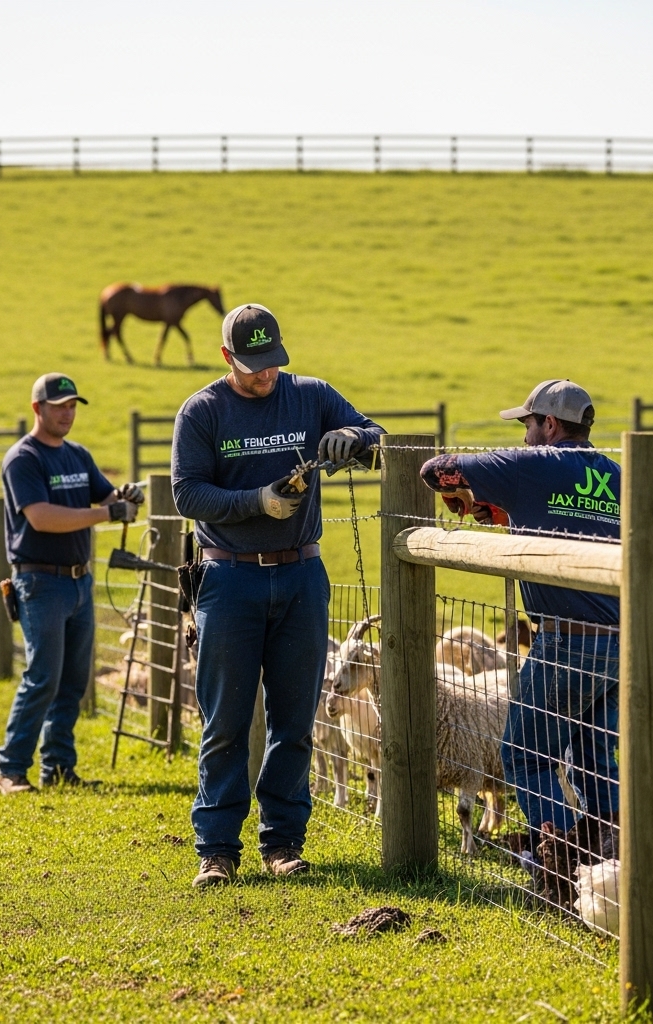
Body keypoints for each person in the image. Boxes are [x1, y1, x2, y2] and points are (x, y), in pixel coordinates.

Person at [171, 303, 384, 887]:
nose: (265, 375)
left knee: (295, 718)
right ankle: (216, 849)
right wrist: (256, 501)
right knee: (226, 720)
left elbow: (379, 438)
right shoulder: (202, 411)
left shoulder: (310, 395)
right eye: (252, 366)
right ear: (226, 358)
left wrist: (351, 438)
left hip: (300, 577)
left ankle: (283, 844)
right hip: (229, 579)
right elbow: (187, 494)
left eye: (272, 363)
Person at [419, 379, 621, 855]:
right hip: (620, 637)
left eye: (528, 425)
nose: (524, 436)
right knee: (594, 758)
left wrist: (467, 493)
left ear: (550, 424)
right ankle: (613, 852)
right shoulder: (614, 474)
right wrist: (505, 512)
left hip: (565, 639)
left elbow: (435, 470)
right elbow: (573, 525)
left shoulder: (531, 464)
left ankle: (565, 857)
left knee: (524, 756)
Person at [0, 372, 142, 795]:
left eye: (73, 405)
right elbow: (41, 517)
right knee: (43, 676)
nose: (68, 413)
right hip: (39, 583)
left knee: (74, 680)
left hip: (79, 582)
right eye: (59, 406)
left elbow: (107, 497)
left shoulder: (77, 455)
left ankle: (58, 767)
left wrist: (125, 498)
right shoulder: (23, 459)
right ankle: (10, 769)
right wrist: (107, 515)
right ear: (37, 408)